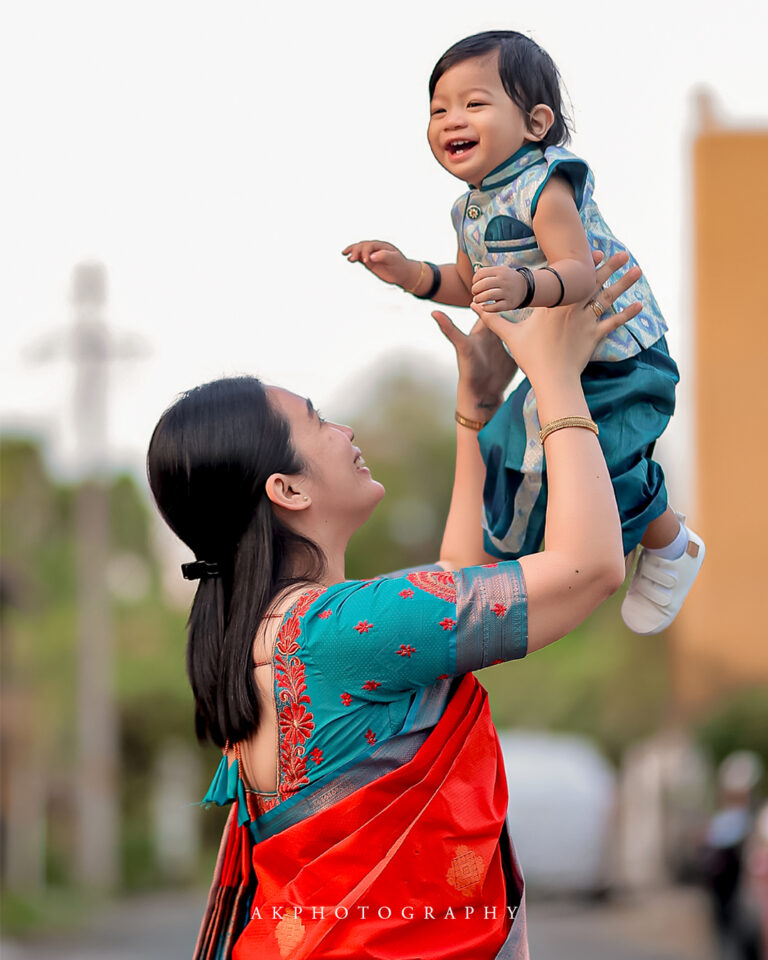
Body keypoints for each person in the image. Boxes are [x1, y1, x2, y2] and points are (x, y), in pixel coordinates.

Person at [147, 252, 634, 959]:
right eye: (318, 422)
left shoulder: (277, 634)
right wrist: (556, 378)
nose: (344, 431)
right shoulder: (337, 631)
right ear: (287, 491)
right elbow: (590, 569)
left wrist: (477, 412)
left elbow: (455, 590)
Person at [342, 30, 705, 636]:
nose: (451, 119)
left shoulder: (546, 185)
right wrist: (409, 274)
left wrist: (522, 287)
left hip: (619, 356)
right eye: (438, 109)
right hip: (552, 364)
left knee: (606, 465)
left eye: (474, 104)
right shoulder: (468, 209)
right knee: (500, 452)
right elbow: (467, 281)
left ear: (536, 121)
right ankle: (531, 559)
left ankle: (671, 543)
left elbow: (579, 272)